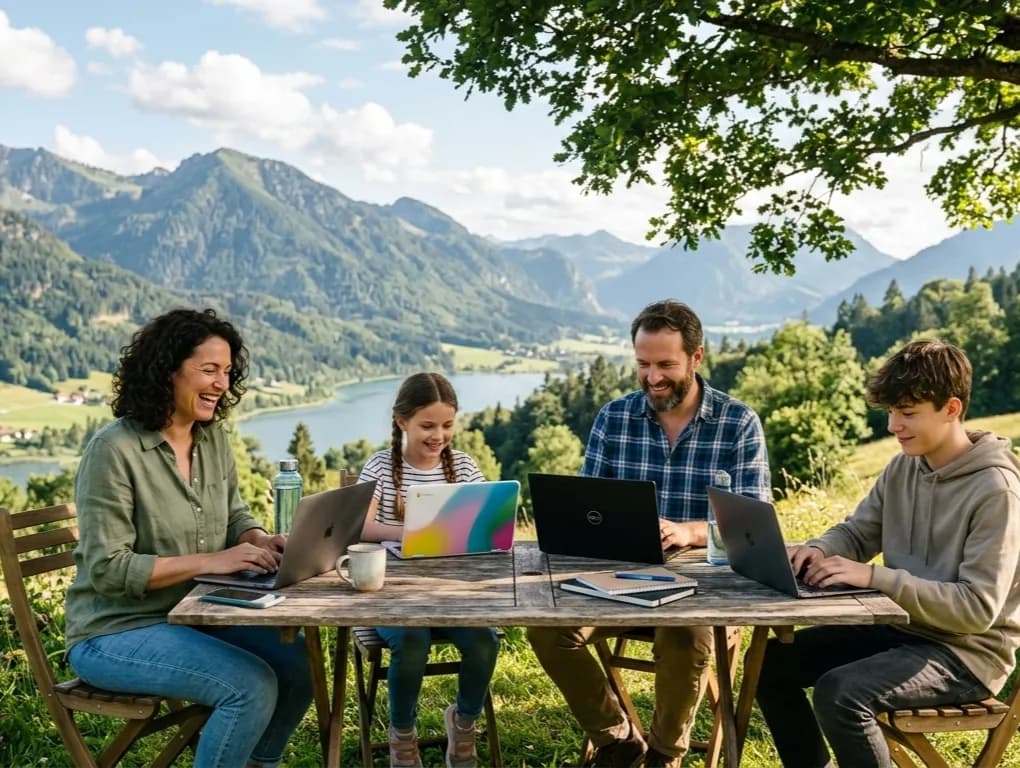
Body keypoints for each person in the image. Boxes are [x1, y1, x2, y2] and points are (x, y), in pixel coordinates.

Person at [65, 308, 313, 768]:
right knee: (250, 685)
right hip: (116, 632)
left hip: (196, 615)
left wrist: (259, 540)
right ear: (168, 370)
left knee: (298, 665)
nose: (222, 383)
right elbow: (107, 568)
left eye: (226, 371)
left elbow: (235, 513)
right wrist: (213, 561)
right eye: (209, 370)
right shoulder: (113, 451)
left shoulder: (212, 437)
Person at [528, 299, 771, 768]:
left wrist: (688, 532)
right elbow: (588, 510)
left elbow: (754, 522)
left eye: (665, 365)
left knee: (687, 634)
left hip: (703, 583)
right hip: (619, 576)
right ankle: (618, 740)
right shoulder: (614, 418)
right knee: (544, 628)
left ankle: (663, 753)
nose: (653, 377)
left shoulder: (738, 423)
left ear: (697, 358)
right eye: (643, 364)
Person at [756, 339, 1020, 768]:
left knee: (841, 692)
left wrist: (875, 578)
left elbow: (976, 610)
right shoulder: (904, 466)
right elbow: (860, 532)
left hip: (967, 653)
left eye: (908, 413)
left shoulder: (996, 491)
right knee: (769, 665)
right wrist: (818, 549)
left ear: (952, 408)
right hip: (904, 629)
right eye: (892, 413)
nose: (894, 425)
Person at [358, 372, 501, 768]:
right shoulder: (381, 468)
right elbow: (362, 526)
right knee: (412, 641)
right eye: (427, 425)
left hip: (453, 594)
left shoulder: (465, 469)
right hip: (393, 594)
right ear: (402, 421)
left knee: (485, 642)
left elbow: (487, 527)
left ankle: (464, 723)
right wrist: (415, 531)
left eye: (447, 425)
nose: (438, 435)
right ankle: (402, 735)